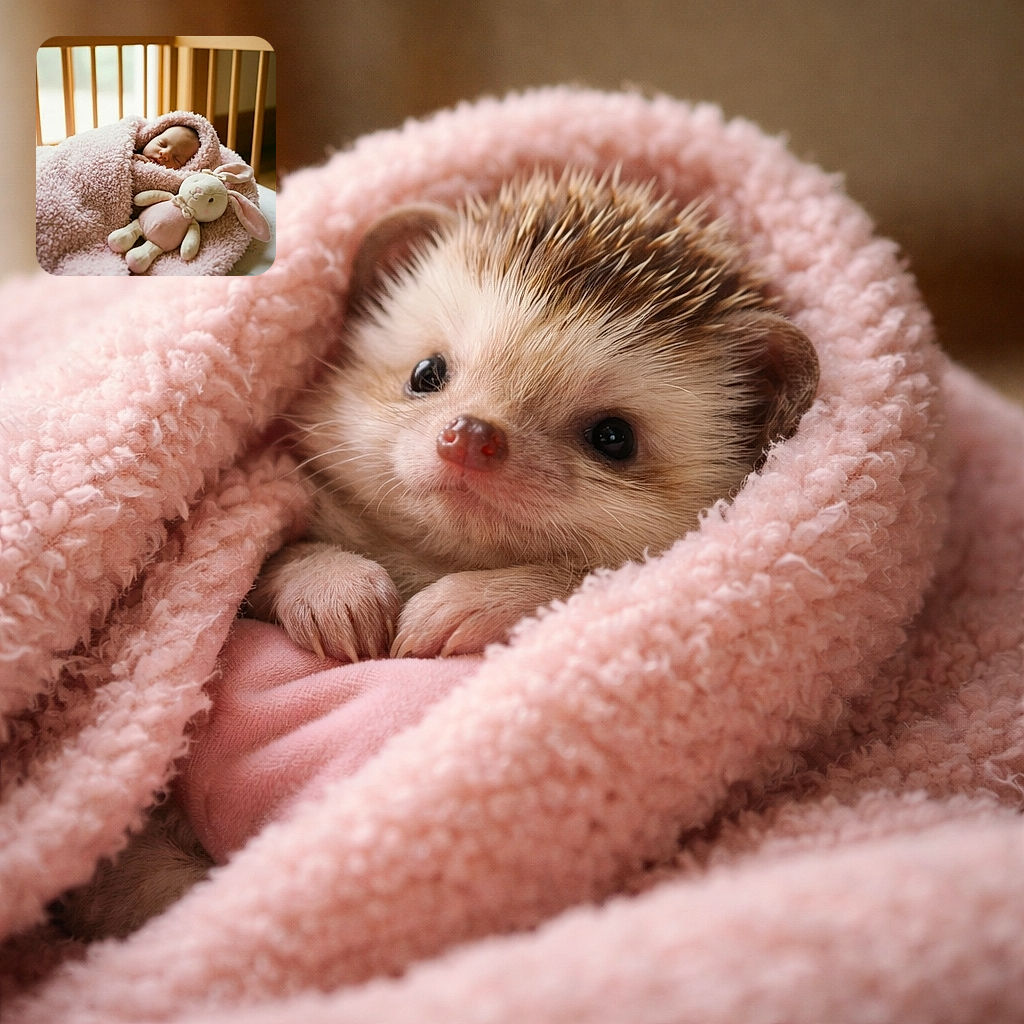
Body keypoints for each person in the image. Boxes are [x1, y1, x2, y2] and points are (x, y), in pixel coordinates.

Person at [134, 125, 200, 170]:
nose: (165, 154)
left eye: (176, 159)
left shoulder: (175, 181)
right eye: (161, 144)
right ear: (152, 137)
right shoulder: (130, 155)